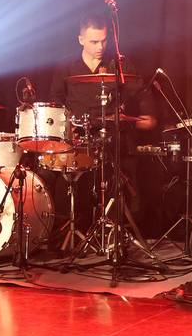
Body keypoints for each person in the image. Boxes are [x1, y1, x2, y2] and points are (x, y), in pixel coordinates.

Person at [46, 13, 156, 238]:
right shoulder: (66, 67)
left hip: (112, 136)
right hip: (79, 135)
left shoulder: (118, 64)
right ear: (81, 40)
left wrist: (148, 114)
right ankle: (69, 230)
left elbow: (141, 92)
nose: (100, 47)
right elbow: (55, 101)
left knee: (128, 175)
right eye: (94, 41)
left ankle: (116, 233)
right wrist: (66, 126)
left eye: (104, 41)